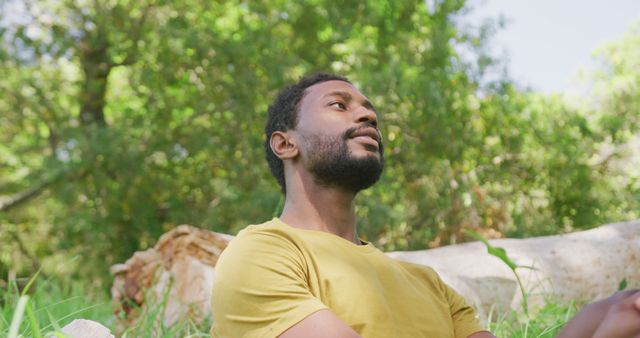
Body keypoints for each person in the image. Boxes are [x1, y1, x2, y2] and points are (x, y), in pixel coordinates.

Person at [210, 73, 640, 338]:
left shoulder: (427, 283)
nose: (366, 117)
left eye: (370, 112)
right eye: (339, 105)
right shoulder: (262, 253)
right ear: (286, 144)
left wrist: (614, 316)